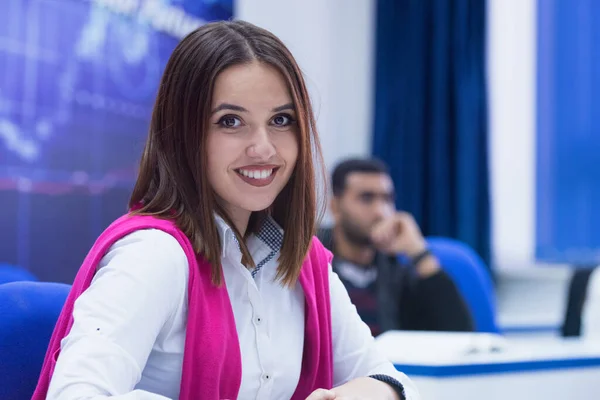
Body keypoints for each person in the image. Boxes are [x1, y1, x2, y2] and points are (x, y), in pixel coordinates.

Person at [33, 21, 419, 400]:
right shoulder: (154, 255)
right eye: (230, 121)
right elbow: (75, 392)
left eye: (281, 120)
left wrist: (375, 391)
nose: (264, 148)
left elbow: (389, 377)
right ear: (184, 135)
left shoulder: (301, 260)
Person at [318, 158, 474, 336]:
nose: (380, 211)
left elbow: (460, 334)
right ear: (335, 207)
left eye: (387, 199)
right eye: (366, 198)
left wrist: (419, 253)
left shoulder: (397, 272)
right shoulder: (308, 262)